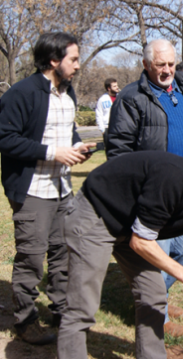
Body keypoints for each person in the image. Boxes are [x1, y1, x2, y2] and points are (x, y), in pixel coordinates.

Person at [57, 152, 183, 359]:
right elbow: (140, 242)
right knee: (83, 305)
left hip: (132, 226)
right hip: (97, 214)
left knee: (153, 294)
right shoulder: (177, 179)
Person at [107, 39, 183, 337]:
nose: (167, 70)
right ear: (146, 65)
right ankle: (157, 314)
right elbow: (118, 151)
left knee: (182, 253)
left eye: (171, 63)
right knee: (158, 257)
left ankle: (161, 299)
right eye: (160, 65)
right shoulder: (132, 98)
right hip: (156, 195)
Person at [0, 32, 95, 345]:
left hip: (62, 189)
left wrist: (79, 146)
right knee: (31, 258)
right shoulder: (22, 93)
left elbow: (66, 133)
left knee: (64, 254)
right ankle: (25, 321)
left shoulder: (68, 94)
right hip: (33, 192)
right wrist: (53, 153)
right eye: (74, 59)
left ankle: (61, 311)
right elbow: (6, 138)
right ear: (54, 60)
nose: (78, 66)